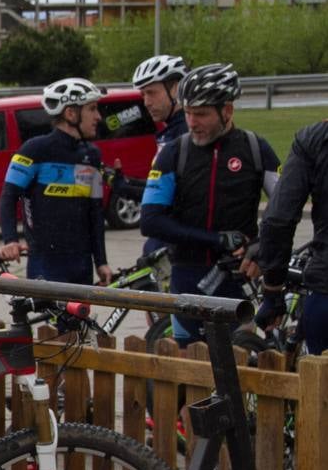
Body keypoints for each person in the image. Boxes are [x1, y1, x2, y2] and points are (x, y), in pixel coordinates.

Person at [139, 63, 279, 345]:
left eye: (201, 114)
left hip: (237, 281)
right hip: (187, 278)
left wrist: (260, 243)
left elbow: (285, 209)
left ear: (227, 110)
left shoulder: (255, 148)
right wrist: (215, 240)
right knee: (190, 373)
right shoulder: (173, 153)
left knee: (240, 367)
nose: (191, 122)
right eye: (188, 113)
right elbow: (150, 220)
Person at [0, 77, 113, 285]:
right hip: (45, 261)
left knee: (82, 318)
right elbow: (8, 196)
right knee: (49, 318)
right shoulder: (34, 150)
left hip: (81, 262)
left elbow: (95, 213)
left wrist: (101, 261)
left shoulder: (92, 155)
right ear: (70, 113)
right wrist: (10, 240)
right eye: (93, 109)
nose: (98, 116)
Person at [244, 120, 328, 355]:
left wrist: (273, 290)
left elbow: (278, 220)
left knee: (319, 386)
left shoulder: (315, 137)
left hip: (324, 289)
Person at [115, 54, 189, 254]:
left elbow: (176, 197)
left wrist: (128, 188)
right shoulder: (170, 132)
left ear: (176, 88)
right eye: (143, 95)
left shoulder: (185, 135)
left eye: (151, 93)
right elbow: (162, 185)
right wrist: (126, 183)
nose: (146, 102)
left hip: (179, 245)